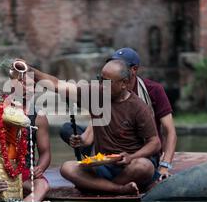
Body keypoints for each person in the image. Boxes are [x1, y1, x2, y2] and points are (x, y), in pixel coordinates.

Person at [21, 58, 161, 194]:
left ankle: (99, 186)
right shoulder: (96, 95)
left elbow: (154, 143)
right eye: (100, 79)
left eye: (107, 82)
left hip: (128, 167)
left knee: (144, 166)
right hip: (102, 165)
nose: (102, 85)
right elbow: (57, 84)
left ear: (124, 83)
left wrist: (131, 157)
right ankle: (117, 189)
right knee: (67, 168)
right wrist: (29, 69)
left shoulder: (139, 108)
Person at [60, 47, 177, 180]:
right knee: (67, 129)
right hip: (109, 146)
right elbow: (99, 120)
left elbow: (169, 131)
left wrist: (164, 166)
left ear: (134, 70)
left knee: (143, 166)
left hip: (138, 149)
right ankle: (102, 165)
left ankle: (106, 179)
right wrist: (84, 140)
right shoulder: (106, 89)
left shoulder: (153, 90)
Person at [0, 68, 51, 202]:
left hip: (23, 170)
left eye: (32, 86)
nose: (28, 89)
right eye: (23, 83)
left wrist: (40, 168)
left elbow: (45, 153)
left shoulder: (39, 117)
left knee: (43, 186)